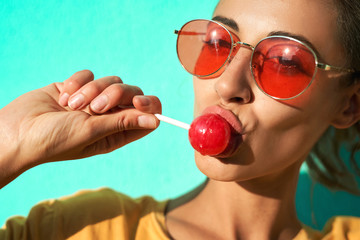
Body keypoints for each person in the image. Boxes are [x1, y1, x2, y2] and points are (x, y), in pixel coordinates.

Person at [1, 0, 360, 239]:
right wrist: (9, 142)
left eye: (284, 62)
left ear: (349, 105)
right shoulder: (78, 228)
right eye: (219, 43)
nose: (225, 84)